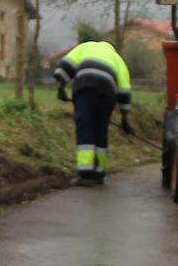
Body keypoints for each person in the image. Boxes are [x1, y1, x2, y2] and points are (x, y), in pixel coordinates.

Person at [53, 40, 133, 185]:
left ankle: (85, 173)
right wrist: (124, 118)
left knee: (85, 125)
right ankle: (99, 172)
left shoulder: (86, 46)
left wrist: (61, 88)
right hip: (108, 92)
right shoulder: (117, 59)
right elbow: (124, 90)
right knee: (100, 129)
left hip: (85, 86)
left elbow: (65, 66)